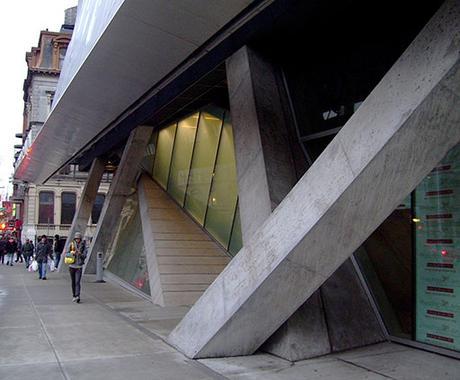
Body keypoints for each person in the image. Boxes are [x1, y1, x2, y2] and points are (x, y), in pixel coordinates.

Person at [67, 232, 86, 303]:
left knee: (77, 281)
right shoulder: (71, 244)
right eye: (76, 238)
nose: (77, 240)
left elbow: (85, 255)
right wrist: (72, 253)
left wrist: (80, 254)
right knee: (73, 282)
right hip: (72, 265)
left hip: (79, 266)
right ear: (74, 238)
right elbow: (66, 253)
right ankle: (74, 295)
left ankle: (78, 296)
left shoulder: (83, 245)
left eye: (79, 238)